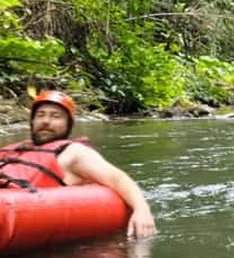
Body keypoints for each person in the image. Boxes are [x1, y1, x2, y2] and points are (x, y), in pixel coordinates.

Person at [0, 90, 156, 239]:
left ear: (69, 124)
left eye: (55, 116)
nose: (46, 121)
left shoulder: (74, 153)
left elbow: (116, 177)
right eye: (40, 115)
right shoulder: (14, 149)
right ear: (32, 121)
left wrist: (141, 209)